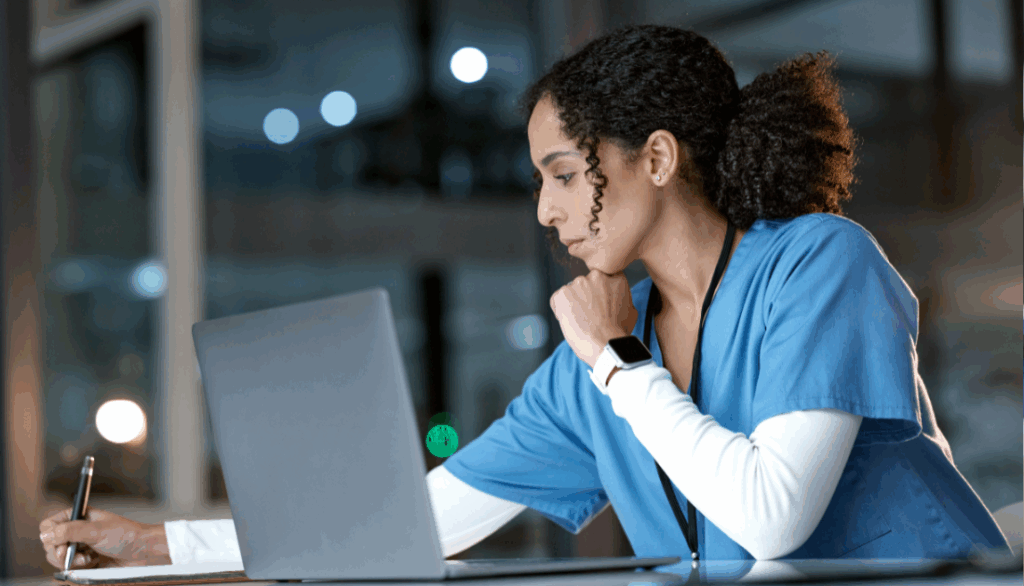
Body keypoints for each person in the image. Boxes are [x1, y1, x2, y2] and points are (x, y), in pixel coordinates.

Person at [40, 24, 1011, 570]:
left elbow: (771, 517)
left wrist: (621, 364)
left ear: (657, 158)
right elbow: (412, 525)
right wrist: (152, 543)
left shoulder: (815, 262)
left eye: (559, 173)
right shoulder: (590, 363)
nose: (546, 212)